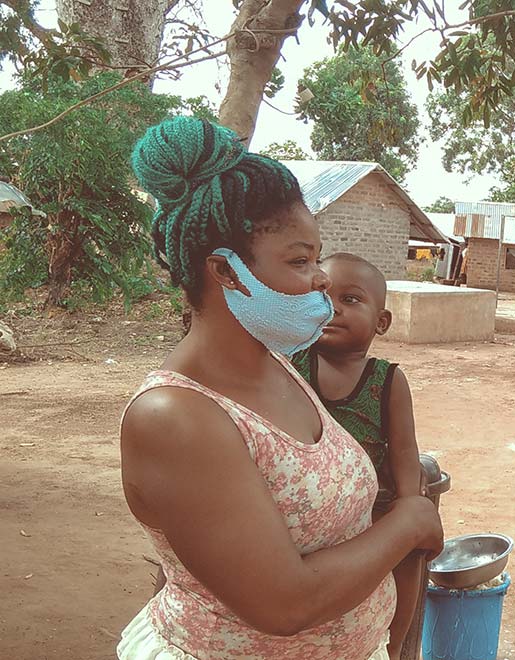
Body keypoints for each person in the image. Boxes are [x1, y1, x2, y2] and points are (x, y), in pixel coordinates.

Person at [119, 116, 443, 659]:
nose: (320, 278)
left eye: (316, 257)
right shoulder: (175, 417)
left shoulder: (281, 365)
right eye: (299, 261)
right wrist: (408, 524)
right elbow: (284, 603)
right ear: (225, 271)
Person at [291, 253, 424, 660]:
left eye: (351, 300)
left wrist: (409, 505)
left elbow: (404, 449)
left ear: (381, 322)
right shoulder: (292, 365)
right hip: (310, 501)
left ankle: (396, 640)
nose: (333, 309)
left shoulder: (387, 380)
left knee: (409, 553)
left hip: (372, 505)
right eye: (325, 295)